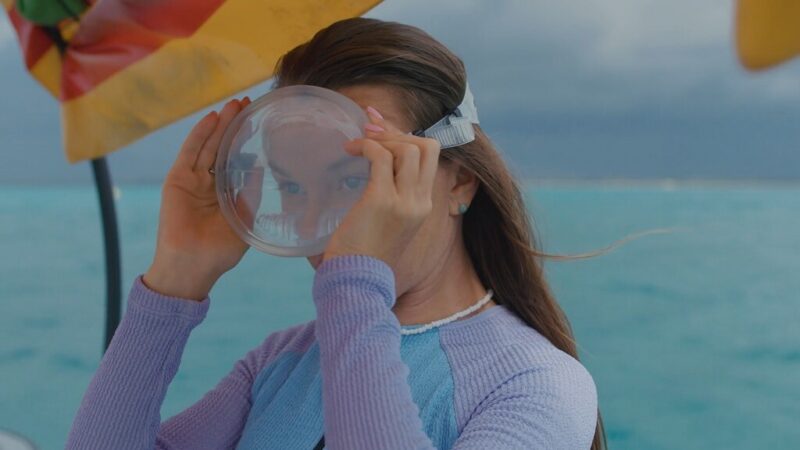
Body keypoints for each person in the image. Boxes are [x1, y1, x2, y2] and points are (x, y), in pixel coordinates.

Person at [65, 17, 605, 450]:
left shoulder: (535, 387)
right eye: (293, 188)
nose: (323, 223)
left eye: (356, 178)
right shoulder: (281, 362)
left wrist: (353, 283)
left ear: (459, 181)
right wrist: (175, 278)